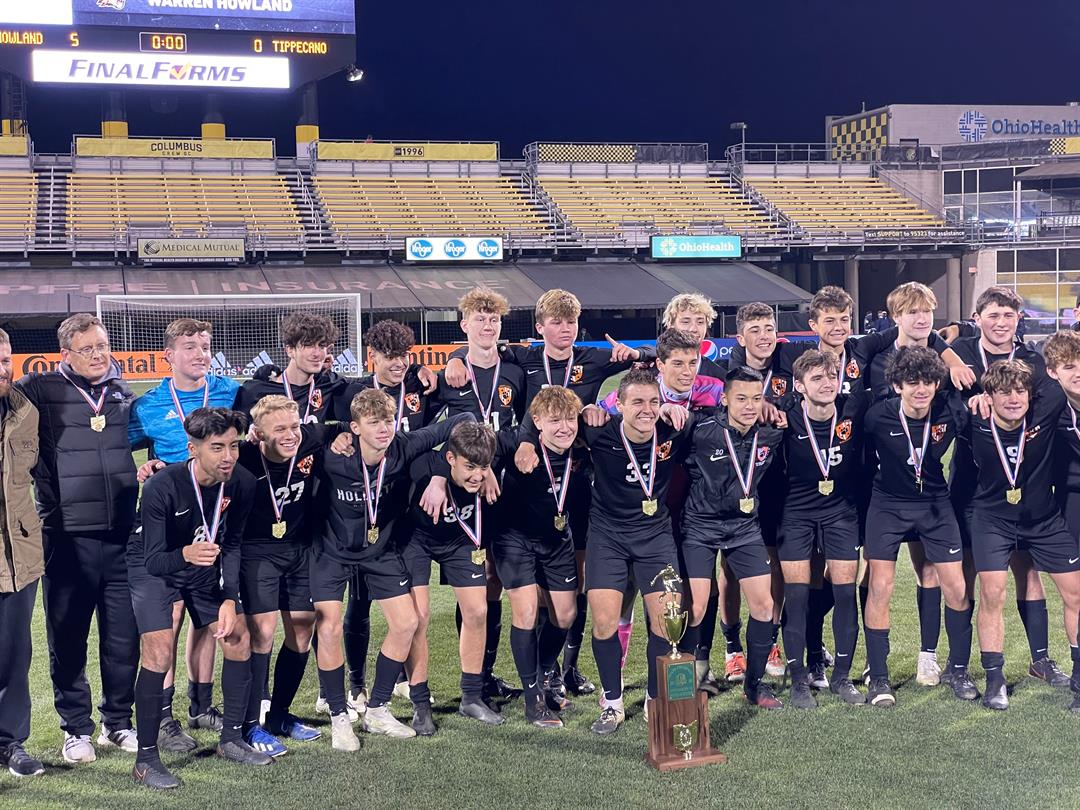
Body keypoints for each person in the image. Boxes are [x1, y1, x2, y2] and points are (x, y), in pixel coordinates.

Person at [446, 288, 649, 699]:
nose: (565, 329)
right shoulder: (521, 361)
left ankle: (565, 671)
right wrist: (452, 359)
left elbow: (654, 355)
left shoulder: (593, 358)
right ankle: (490, 676)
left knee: (574, 581)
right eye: (555, 322)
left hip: (576, 479)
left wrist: (635, 353)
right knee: (500, 584)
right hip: (525, 478)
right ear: (540, 328)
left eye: (571, 322)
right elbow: (484, 349)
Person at [15, 313, 140, 764]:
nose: (98, 354)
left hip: (123, 536)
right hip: (66, 537)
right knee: (67, 638)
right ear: (64, 353)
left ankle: (118, 723)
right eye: (87, 348)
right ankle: (76, 730)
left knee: (123, 638)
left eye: (103, 345)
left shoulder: (123, 394)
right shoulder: (39, 391)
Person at [312, 391, 469, 744]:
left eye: (388, 421)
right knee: (329, 627)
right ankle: (339, 716)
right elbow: (297, 435)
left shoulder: (402, 445)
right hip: (331, 552)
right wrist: (331, 433)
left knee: (407, 622)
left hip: (379, 551)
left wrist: (442, 474)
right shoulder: (333, 454)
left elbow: (462, 419)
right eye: (374, 423)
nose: (384, 429)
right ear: (354, 428)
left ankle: (378, 709)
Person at [129, 408, 268, 790]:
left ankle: (233, 739)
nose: (228, 457)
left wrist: (228, 598)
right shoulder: (162, 486)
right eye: (217, 447)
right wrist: (186, 556)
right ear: (193, 448)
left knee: (238, 636)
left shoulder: (242, 482)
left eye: (234, 446)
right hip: (155, 566)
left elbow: (234, 544)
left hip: (202, 563)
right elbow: (153, 559)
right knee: (158, 649)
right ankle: (145, 760)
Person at [946, 287, 1068, 687]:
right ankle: (958, 667)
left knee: (1027, 570)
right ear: (977, 317)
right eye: (993, 315)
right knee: (966, 575)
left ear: (1018, 320)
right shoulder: (960, 351)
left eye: (1008, 316)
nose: (1001, 323)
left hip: (1024, 481)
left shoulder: (1032, 359)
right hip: (971, 482)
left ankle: (1041, 659)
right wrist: (968, 399)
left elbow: (1050, 398)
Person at [129, 318, 241, 751]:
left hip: (217, 512)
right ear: (168, 356)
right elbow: (124, 449)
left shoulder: (230, 392)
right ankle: (162, 717)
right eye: (189, 347)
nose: (199, 354)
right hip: (169, 517)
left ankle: (201, 703)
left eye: (205, 346)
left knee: (208, 613)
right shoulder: (149, 405)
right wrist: (141, 468)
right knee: (170, 615)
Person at [323, 319, 438, 719]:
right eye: (391, 357)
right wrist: (337, 434)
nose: (399, 364)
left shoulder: (422, 387)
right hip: (364, 513)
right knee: (360, 600)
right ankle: (356, 682)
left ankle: (405, 680)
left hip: (409, 511)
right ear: (372, 356)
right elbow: (326, 426)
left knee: (408, 603)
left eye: (406, 356)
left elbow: (440, 433)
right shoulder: (351, 393)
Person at [577, 367, 693, 734]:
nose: (647, 409)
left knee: (667, 623)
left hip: (655, 537)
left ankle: (656, 700)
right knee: (605, 622)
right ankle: (612, 703)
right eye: (638, 402)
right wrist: (584, 411)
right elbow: (547, 423)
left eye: (653, 401)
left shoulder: (674, 429)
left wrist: (683, 413)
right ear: (620, 405)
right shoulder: (598, 432)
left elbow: (723, 416)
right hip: (607, 538)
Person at [862, 347, 976, 707]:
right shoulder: (877, 416)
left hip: (935, 504)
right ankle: (878, 677)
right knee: (880, 586)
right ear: (897, 385)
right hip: (888, 505)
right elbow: (859, 461)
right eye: (913, 383)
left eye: (928, 381)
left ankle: (958, 669)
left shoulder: (950, 411)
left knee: (956, 587)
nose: (921, 389)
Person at [963, 359, 1080, 710]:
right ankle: (995, 679)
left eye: (1019, 391)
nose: (1013, 399)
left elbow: (1056, 367)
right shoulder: (973, 418)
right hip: (992, 521)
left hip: (1043, 520)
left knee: (1076, 594)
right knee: (992, 593)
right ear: (989, 396)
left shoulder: (1046, 409)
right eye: (1003, 392)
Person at [428, 288, 525, 701]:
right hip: (464, 496)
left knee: (496, 582)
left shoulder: (516, 372)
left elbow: (523, 426)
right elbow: (424, 433)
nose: (488, 327)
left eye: (494, 320)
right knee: (474, 585)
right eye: (479, 320)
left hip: (503, 490)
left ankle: (486, 675)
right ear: (464, 325)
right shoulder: (448, 375)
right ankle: (473, 678)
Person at [237, 396, 349, 756]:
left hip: (300, 550)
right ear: (258, 434)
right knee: (263, 633)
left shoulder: (309, 440)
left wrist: (345, 434)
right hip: (257, 552)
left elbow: (342, 425)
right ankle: (249, 724)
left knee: (302, 628)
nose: (290, 436)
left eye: (294, 426)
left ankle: (280, 715)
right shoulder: (244, 456)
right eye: (280, 429)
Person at [679, 366, 784, 709]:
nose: (749, 406)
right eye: (741, 398)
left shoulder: (770, 433)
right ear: (724, 399)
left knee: (764, 605)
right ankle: (688, 680)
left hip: (744, 528)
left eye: (756, 398)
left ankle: (754, 686)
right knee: (694, 606)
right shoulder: (700, 430)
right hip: (699, 527)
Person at [778, 350, 870, 706]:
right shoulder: (785, 416)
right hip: (796, 514)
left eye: (831, 376)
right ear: (800, 386)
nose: (827, 383)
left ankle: (842, 677)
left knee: (845, 593)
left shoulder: (853, 408)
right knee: (798, 597)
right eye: (816, 378)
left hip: (841, 513)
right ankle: (799, 678)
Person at [0, 329, 45, 777]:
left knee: (15, 654)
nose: (4, 368)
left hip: (19, 556)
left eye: (7, 359)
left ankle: (11, 742)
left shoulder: (25, 412)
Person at [235, 312, 349, 425]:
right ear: (290, 350)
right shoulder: (255, 391)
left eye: (322, 346)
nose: (317, 354)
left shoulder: (328, 384)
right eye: (308, 345)